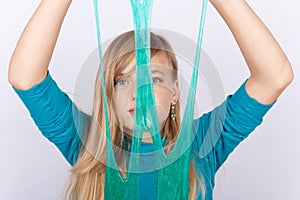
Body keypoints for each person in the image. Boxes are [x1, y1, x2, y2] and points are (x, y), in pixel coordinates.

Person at [8, 0, 293, 199]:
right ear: (109, 96)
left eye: (154, 79)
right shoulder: (88, 143)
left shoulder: (202, 141)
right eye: (122, 80)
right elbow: (26, 78)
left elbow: (274, 76)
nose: (139, 92)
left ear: (175, 93)